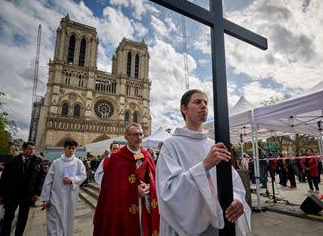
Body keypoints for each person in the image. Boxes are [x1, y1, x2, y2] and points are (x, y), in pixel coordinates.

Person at [156, 89, 250, 235]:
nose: (204, 106)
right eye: (197, 102)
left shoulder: (214, 144)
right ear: (183, 108)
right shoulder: (171, 145)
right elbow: (167, 192)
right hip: (187, 228)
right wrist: (205, 165)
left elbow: (233, 181)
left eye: (206, 102)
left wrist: (236, 199)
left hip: (220, 223)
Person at [93, 123, 159, 235]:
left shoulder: (147, 155)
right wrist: (133, 190)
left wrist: (149, 187)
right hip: (123, 208)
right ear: (126, 137)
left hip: (144, 205)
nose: (138, 137)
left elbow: (154, 179)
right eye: (134, 134)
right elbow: (110, 188)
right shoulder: (116, 158)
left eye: (140, 134)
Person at [0, 142, 45, 236]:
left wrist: (37, 193)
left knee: (23, 218)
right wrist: (0, 194)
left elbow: (40, 178)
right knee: (8, 217)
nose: (32, 151)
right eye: (29, 149)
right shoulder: (14, 160)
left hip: (27, 194)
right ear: (24, 149)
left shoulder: (37, 161)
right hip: (12, 193)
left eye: (33, 149)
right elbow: (4, 178)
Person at [40, 140, 87, 236]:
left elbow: (83, 175)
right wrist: (45, 198)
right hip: (55, 197)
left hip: (70, 197)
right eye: (69, 148)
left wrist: (72, 180)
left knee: (67, 220)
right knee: (53, 220)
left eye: (73, 148)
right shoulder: (56, 163)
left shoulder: (78, 163)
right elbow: (48, 181)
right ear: (64, 149)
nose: (71, 150)